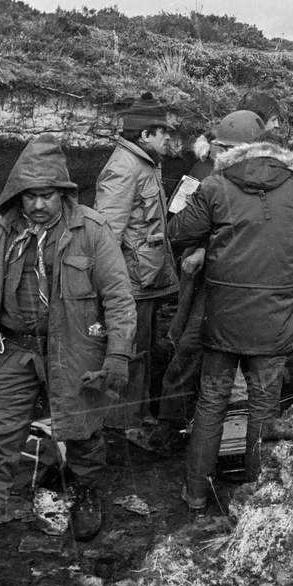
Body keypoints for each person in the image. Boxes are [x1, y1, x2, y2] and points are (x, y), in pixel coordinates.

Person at [0, 134, 137, 578]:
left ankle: (83, 490)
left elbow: (119, 298)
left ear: (62, 193)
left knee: (82, 428)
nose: (39, 205)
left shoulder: (92, 231)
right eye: (30, 196)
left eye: (47, 195)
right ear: (17, 195)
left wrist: (118, 354)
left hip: (75, 347)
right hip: (14, 349)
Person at [167, 110, 293, 512]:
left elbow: (179, 232)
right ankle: (256, 501)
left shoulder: (215, 184)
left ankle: (196, 494)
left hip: (223, 316)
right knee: (264, 408)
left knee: (211, 402)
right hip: (274, 317)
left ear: (226, 148)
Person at [148, 111, 269, 456]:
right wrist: (199, 247)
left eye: (232, 147)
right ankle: (171, 423)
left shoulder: (268, 182)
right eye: (221, 146)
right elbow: (180, 219)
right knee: (187, 344)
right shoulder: (204, 174)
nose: (223, 153)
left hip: (245, 281)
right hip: (210, 280)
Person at [94, 95, 180, 430]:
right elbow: (106, 235)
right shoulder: (124, 168)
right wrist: (111, 288)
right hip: (131, 283)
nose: (167, 138)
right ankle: (124, 422)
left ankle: (135, 416)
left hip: (145, 279)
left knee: (143, 349)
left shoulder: (144, 163)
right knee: (130, 350)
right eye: (162, 132)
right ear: (144, 135)